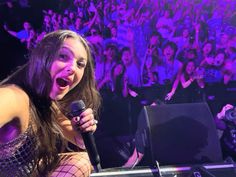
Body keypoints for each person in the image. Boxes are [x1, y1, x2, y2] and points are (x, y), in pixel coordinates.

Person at [0, 30, 101, 177]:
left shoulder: (46, 105)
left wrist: (82, 129)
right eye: (63, 56)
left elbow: (79, 141)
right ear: (42, 56)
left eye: (80, 64)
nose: (72, 68)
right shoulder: (14, 97)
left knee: (81, 161)